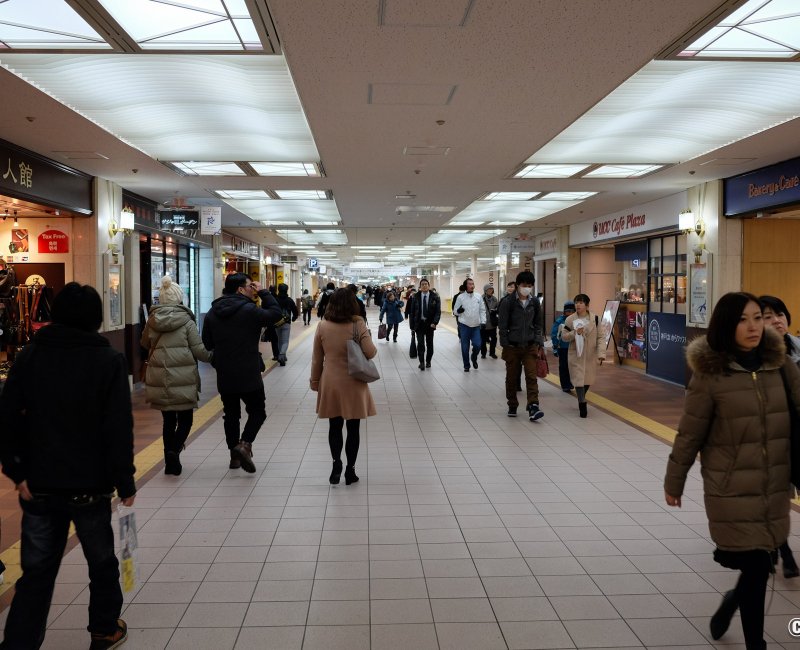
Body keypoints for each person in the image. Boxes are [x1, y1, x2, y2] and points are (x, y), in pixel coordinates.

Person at [0, 283, 136, 650]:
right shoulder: (108, 360)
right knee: (101, 563)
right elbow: (118, 427)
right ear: (96, 318)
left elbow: (7, 416)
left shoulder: (30, 355)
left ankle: (19, 643)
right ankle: (103, 630)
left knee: (37, 573)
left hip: (39, 485)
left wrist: (17, 471)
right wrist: (125, 482)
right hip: (90, 486)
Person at [664, 292, 800, 650]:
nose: (754, 326)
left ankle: (730, 604)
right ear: (726, 324)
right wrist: (674, 480)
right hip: (731, 487)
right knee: (756, 567)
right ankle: (757, 644)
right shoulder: (711, 375)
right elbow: (690, 431)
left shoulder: (781, 365)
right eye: (743, 319)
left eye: (758, 317)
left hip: (774, 483)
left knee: (761, 564)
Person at [202, 273, 282, 473]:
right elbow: (276, 314)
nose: (252, 288)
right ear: (240, 289)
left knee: (231, 414)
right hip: (248, 371)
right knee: (257, 412)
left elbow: (207, 342)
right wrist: (264, 291)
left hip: (225, 372)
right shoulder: (250, 310)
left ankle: (234, 456)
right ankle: (244, 444)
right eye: (249, 286)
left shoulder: (213, 311)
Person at [141, 275, 212, 476]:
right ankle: (174, 451)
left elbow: (144, 344)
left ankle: (169, 461)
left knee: (168, 420)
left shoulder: (152, 320)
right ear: (180, 298)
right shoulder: (187, 322)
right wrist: (213, 357)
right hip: (183, 376)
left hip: (159, 375)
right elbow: (199, 351)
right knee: (186, 420)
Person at [310, 289, 377, 485]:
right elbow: (370, 352)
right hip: (354, 381)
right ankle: (351, 470)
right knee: (353, 428)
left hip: (331, 380)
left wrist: (315, 381)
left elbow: (317, 358)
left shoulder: (322, 325)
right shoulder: (358, 324)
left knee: (334, 426)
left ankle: (335, 464)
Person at [759, 294, 800, 579]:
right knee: (776, 501)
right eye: (768, 315)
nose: (777, 320)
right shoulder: (754, 359)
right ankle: (783, 551)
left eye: (780, 313)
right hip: (772, 441)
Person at [498, 271, 544, 420]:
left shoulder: (534, 302)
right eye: (524, 285)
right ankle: (512, 403)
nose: (527, 288)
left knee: (531, 376)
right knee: (512, 378)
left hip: (530, 345)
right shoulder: (508, 302)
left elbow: (538, 324)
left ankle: (533, 406)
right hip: (512, 346)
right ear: (518, 285)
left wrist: (538, 341)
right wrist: (505, 344)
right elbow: (502, 325)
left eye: (530, 286)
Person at [560, 293, 605, 418]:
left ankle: (582, 396)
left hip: (590, 354)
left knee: (587, 380)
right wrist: (575, 333)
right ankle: (582, 402)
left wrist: (601, 354)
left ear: (587, 305)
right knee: (579, 379)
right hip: (576, 354)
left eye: (581, 302)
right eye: (576, 302)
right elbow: (564, 337)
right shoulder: (570, 320)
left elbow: (601, 337)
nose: (578, 305)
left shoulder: (595, 319)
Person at [453, 278, 486, 372]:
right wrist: (458, 311)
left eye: (473, 284)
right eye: (470, 284)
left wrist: (483, 322)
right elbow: (455, 311)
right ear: (466, 285)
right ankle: (466, 365)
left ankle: (474, 357)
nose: (472, 285)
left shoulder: (478, 296)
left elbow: (482, 310)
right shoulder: (460, 297)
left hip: (476, 326)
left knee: (478, 345)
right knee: (465, 347)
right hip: (464, 325)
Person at [409, 278, 441, 370]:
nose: (424, 286)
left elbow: (437, 312)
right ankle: (421, 362)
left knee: (429, 344)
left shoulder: (435, 297)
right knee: (420, 344)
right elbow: (412, 312)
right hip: (419, 324)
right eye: (422, 284)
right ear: (420, 286)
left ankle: (428, 361)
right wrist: (412, 326)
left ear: (429, 285)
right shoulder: (415, 296)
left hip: (430, 324)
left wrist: (434, 323)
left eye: (426, 284)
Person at [498, 280, 521, 391]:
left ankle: (518, 383)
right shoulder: (504, 301)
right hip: (510, 337)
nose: (511, 289)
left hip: (522, 337)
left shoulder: (524, 301)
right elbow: (502, 320)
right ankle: (512, 383)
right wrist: (504, 340)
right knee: (512, 363)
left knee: (520, 363)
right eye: (509, 287)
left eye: (513, 287)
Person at [550, 301, 576, 393]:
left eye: (572, 311)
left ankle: (571, 382)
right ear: (564, 312)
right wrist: (555, 346)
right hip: (563, 348)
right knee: (564, 366)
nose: (569, 313)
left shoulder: (577, 320)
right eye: (567, 311)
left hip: (574, 348)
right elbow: (554, 334)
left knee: (573, 366)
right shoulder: (560, 321)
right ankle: (565, 385)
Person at [480, 284, 499, 359]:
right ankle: (483, 353)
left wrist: (495, 311)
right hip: (483, 323)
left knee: (494, 339)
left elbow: (498, 309)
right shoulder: (480, 299)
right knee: (483, 340)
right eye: (489, 290)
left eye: (492, 290)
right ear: (485, 291)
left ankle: (492, 353)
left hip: (492, 323)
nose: (491, 291)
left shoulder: (495, 299)